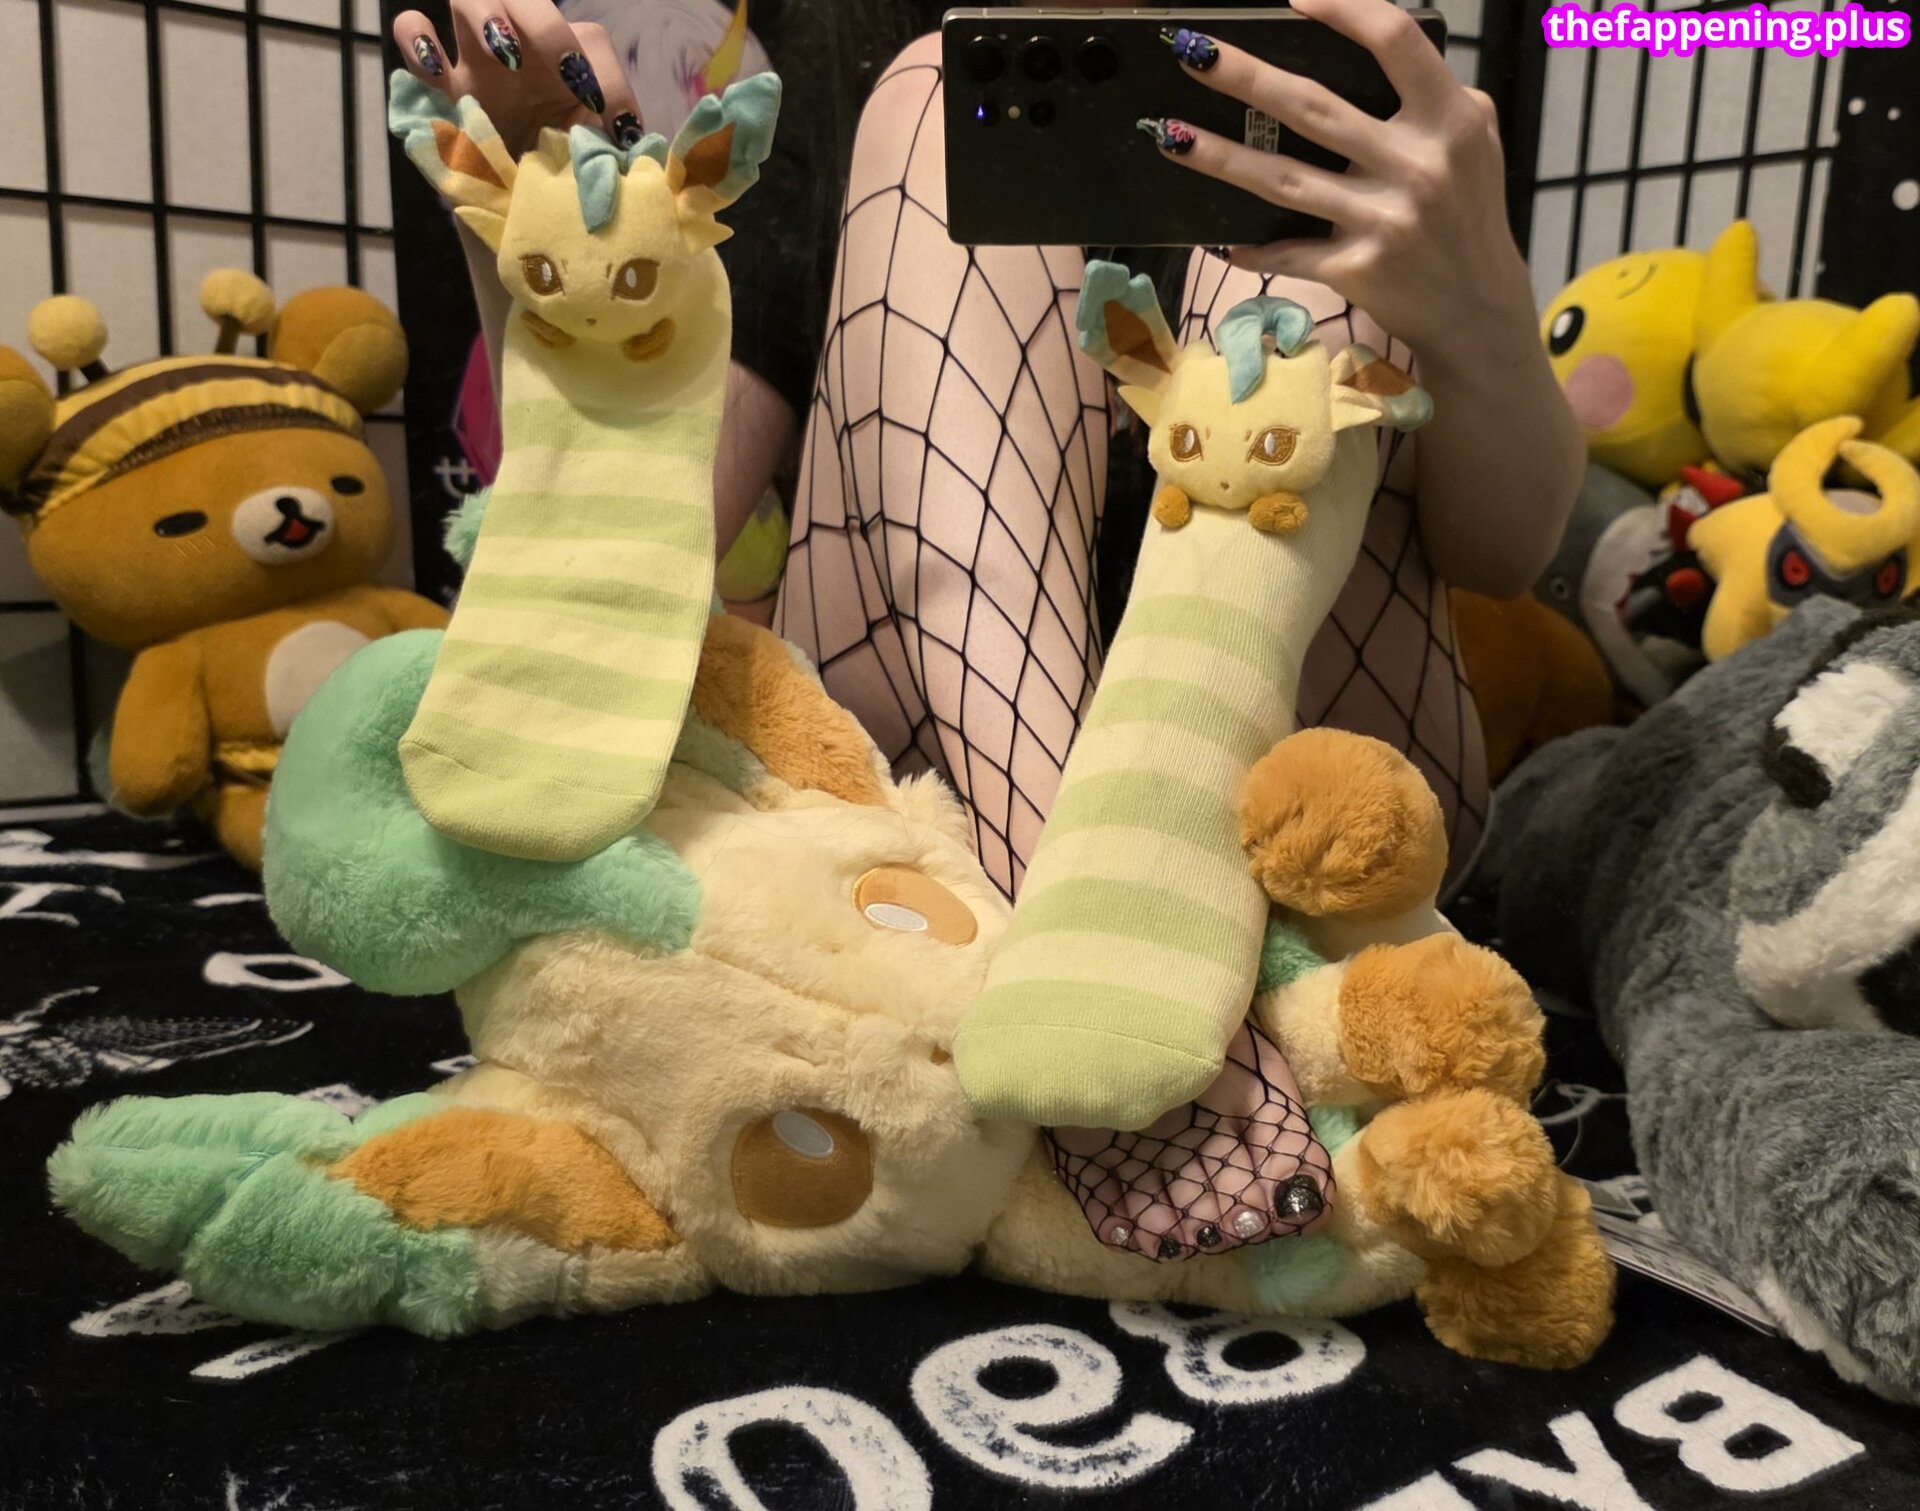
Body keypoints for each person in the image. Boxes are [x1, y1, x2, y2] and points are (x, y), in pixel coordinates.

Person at [393, 0, 1583, 898]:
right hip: (934, 786)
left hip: (1317, 801)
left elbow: (1503, 557)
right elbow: (651, 530)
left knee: (1318, 184)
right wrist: (556, 281)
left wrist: (1476, 307)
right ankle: (1086, 920)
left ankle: (1094, 963)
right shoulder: (857, 54)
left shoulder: (1362, 59)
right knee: (933, 101)